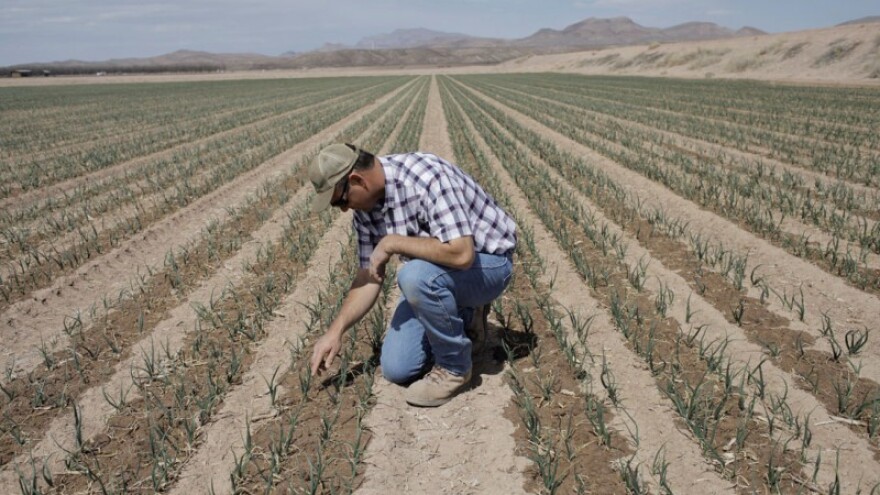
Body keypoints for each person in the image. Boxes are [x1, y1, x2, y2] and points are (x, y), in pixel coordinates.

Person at [307, 143, 517, 407]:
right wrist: (335, 331)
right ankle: (464, 312)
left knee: (414, 276)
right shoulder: (366, 211)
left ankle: (455, 368)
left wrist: (394, 242)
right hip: (438, 274)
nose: (344, 210)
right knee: (397, 368)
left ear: (357, 180)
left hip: (489, 265)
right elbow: (368, 276)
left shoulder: (428, 177)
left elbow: (462, 254)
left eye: (341, 200)